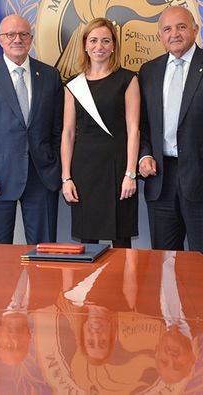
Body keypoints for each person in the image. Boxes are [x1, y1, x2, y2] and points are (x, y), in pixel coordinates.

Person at [138, 6, 203, 266]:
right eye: (167, 29)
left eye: (181, 27)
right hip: (160, 180)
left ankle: (202, 310)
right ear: (160, 36)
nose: (175, 34)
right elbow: (142, 124)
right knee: (163, 263)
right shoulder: (149, 71)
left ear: (195, 29)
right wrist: (145, 154)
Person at [0, 15, 63, 244]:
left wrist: (55, 166)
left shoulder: (50, 75)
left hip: (42, 177)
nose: (17, 39)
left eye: (23, 34)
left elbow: (58, 128)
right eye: (10, 35)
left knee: (44, 252)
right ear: (0, 39)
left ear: (31, 39)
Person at [60, 17, 140, 248]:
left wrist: (130, 174)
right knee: (88, 243)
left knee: (121, 239)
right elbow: (67, 133)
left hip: (118, 168)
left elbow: (133, 129)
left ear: (114, 45)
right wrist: (67, 177)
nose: (99, 46)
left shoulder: (127, 79)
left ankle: (123, 286)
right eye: (93, 40)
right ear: (85, 44)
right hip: (84, 170)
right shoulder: (74, 85)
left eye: (106, 40)